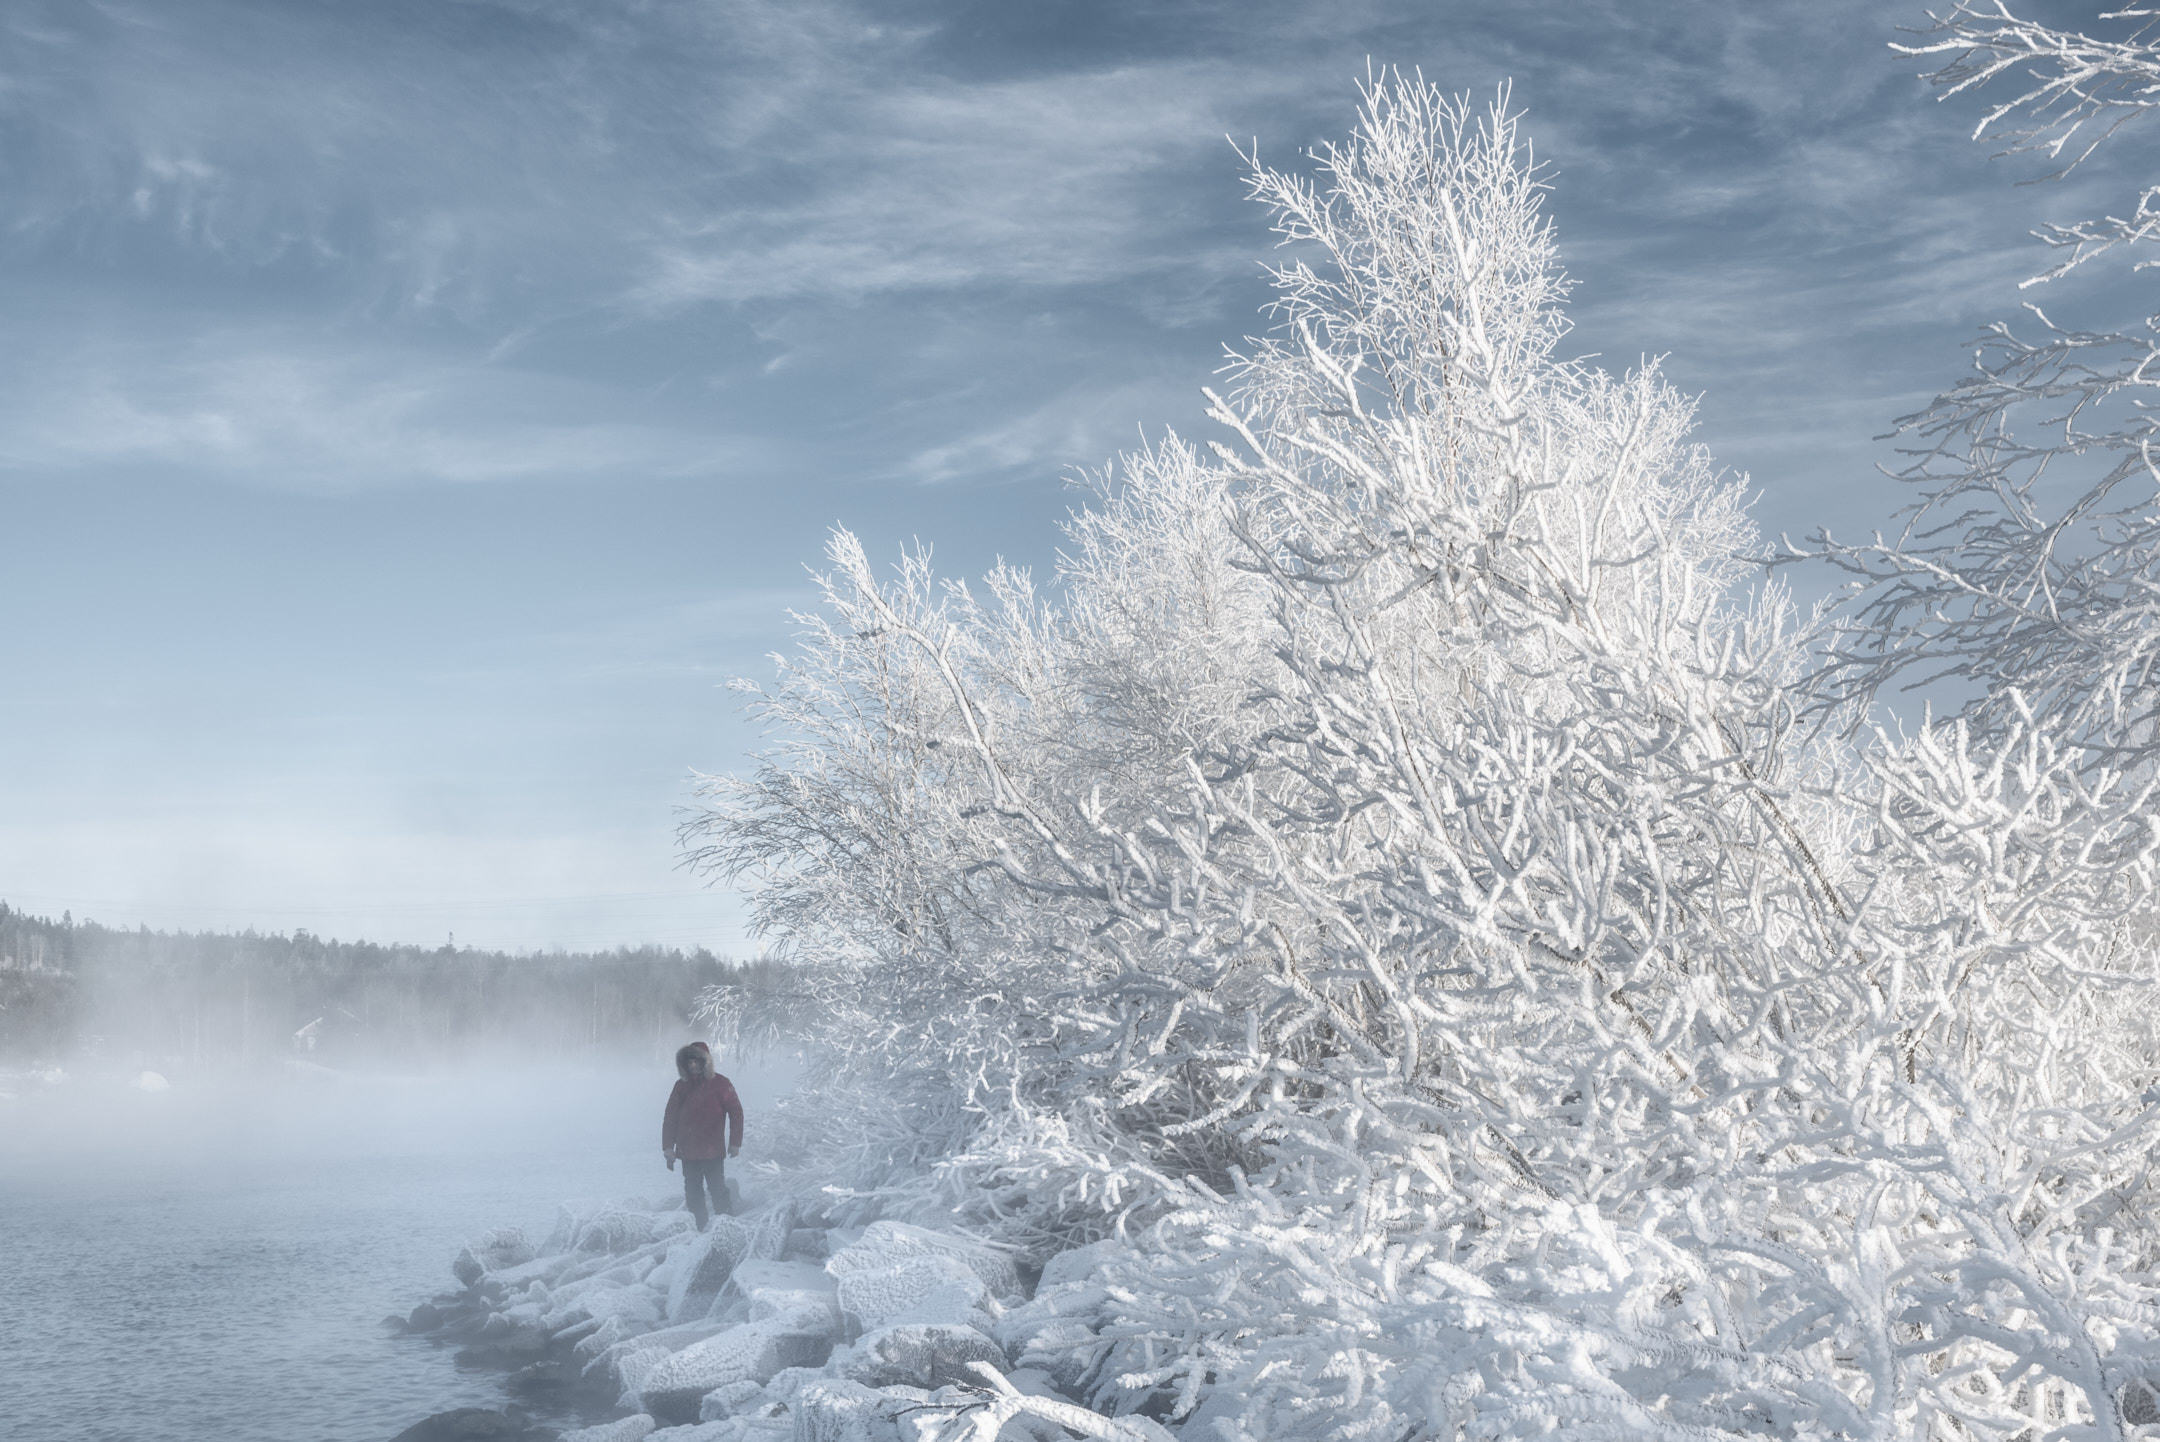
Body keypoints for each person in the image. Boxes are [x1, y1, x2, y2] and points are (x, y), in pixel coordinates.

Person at [661, 1041, 743, 1230]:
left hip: (713, 1151)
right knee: (692, 1194)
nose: (692, 1065)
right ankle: (699, 1230)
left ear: (705, 1062)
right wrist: (668, 1147)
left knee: (718, 1190)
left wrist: (735, 1142)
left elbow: (736, 1112)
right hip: (688, 1152)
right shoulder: (681, 1086)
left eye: (696, 1061)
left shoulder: (721, 1084)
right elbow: (670, 1117)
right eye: (689, 1062)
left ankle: (728, 1228)